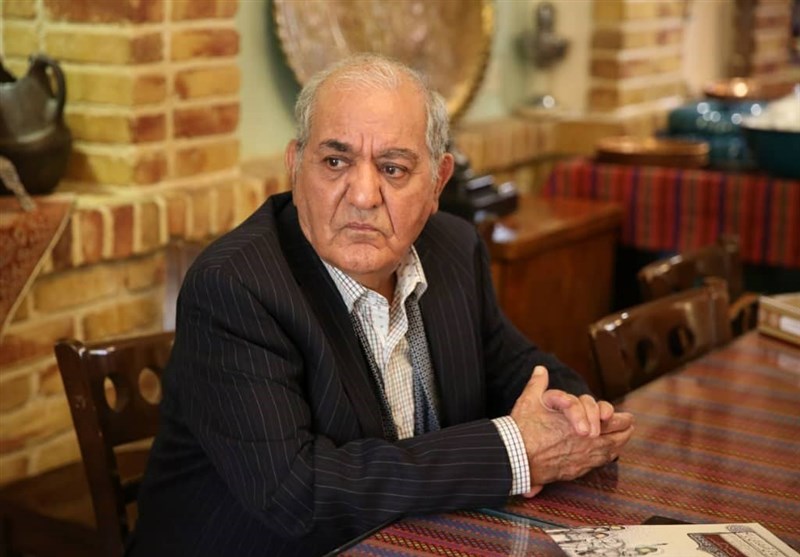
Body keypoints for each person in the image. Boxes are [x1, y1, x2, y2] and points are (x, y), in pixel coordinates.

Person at [129, 53, 634, 557]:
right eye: (335, 162)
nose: (363, 196)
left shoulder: (453, 249)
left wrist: (572, 415)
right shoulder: (234, 287)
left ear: (437, 183)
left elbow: (521, 368)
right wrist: (514, 451)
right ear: (295, 166)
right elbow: (299, 493)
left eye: (393, 169)